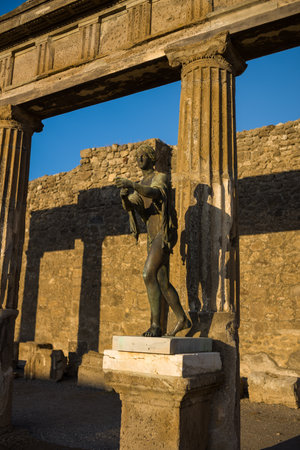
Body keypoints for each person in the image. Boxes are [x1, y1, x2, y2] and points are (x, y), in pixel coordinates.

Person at [115, 144, 191, 337]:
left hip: (164, 233)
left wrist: (132, 186)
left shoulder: (160, 177)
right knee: (162, 281)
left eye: (144, 155)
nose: (140, 158)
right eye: (138, 156)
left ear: (152, 158)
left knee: (147, 273)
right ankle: (182, 319)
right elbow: (134, 205)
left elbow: (155, 193)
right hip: (152, 235)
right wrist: (125, 198)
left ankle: (155, 326)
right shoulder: (142, 181)